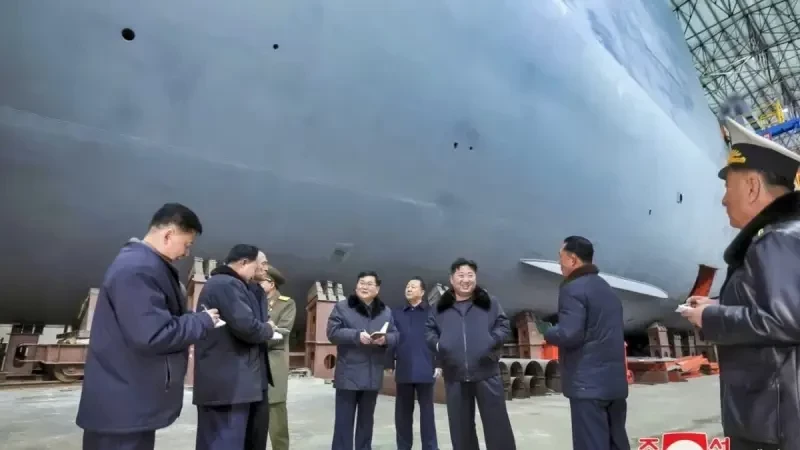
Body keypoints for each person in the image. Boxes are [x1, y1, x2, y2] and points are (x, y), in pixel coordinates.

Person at [680, 116, 800, 450]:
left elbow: (784, 320)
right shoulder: (787, 236)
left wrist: (710, 317)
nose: (723, 200)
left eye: (727, 187)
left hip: (773, 426)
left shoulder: (777, 240)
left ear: (751, 187)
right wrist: (720, 306)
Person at [76, 203, 220, 450]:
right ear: (168, 235)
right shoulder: (137, 269)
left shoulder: (145, 265)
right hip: (122, 410)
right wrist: (202, 321)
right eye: (186, 244)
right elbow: (153, 334)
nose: (187, 253)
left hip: (128, 403)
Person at [543, 236, 629, 450]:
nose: (559, 263)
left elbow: (569, 334)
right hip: (615, 385)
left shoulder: (573, 288)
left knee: (591, 443)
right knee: (616, 442)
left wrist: (547, 331)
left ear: (573, 259)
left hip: (588, 386)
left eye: (560, 257)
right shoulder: (607, 289)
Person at [425, 258, 516, 450]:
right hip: (455, 374)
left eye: (470, 275)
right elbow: (429, 331)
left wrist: (491, 341)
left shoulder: (489, 302)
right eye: (461, 275)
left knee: (497, 425)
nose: (465, 280)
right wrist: (439, 345)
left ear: (475, 277)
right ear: (451, 279)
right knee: (461, 429)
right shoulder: (440, 307)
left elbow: (503, 326)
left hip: (487, 372)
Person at [192, 245, 274, 450]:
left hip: (237, 383)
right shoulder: (226, 284)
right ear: (244, 262)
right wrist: (268, 329)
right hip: (227, 385)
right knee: (224, 441)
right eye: (259, 264)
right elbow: (248, 327)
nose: (262, 269)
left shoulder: (239, 286)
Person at [327, 271, 399, 450]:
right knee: (343, 422)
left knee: (366, 423)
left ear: (377, 289)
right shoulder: (342, 307)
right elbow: (332, 333)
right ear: (356, 285)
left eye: (369, 284)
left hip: (372, 375)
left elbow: (396, 335)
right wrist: (356, 336)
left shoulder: (385, 311)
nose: (364, 287)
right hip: (348, 375)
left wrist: (385, 339)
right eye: (361, 283)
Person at [390, 277, 440, 450]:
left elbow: (440, 338)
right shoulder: (396, 313)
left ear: (422, 292)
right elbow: (391, 337)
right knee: (402, 414)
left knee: (427, 414)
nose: (409, 289)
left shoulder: (432, 313)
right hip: (404, 367)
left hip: (426, 367)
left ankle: (430, 447)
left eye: (413, 286)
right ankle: (403, 447)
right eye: (407, 286)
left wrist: (439, 363)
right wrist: (389, 362)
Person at [262, 265, 297, 450]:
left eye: (260, 281)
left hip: (273, 364)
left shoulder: (286, 304)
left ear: (271, 283)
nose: (256, 284)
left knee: (276, 417)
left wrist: (255, 334)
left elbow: (282, 333)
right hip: (251, 363)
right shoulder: (251, 301)